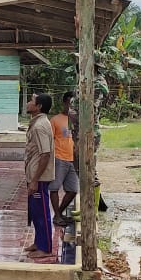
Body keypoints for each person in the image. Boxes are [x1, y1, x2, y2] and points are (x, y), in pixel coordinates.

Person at [24, 93, 56, 260]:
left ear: (39, 107)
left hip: (40, 178)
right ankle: (38, 242)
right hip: (34, 175)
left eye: (32, 101)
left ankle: (46, 248)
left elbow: (45, 154)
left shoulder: (40, 126)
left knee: (42, 213)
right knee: (36, 212)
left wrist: (35, 180)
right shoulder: (37, 123)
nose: (28, 103)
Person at [49, 92, 79, 227]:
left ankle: (58, 214)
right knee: (54, 188)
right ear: (64, 103)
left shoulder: (77, 120)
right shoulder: (55, 120)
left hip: (73, 159)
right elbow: (49, 140)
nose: (70, 106)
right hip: (59, 158)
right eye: (69, 103)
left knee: (73, 190)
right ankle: (57, 216)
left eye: (73, 103)